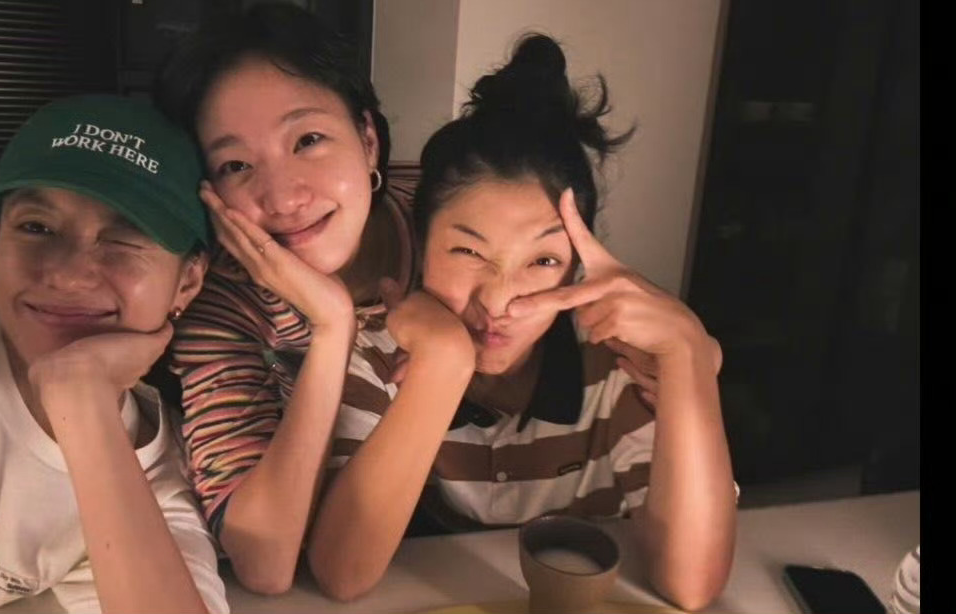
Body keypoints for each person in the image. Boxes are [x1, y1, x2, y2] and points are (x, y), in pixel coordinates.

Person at [310, 34, 737, 610]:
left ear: (578, 268)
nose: (499, 300)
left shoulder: (618, 360)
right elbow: (340, 574)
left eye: (543, 262)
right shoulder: (380, 351)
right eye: (468, 252)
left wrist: (688, 350)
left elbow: (692, 585)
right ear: (422, 242)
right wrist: (442, 366)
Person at [0, 95, 228, 614]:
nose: (66, 275)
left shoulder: (155, 477)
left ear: (188, 281)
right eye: (36, 227)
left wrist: (80, 397)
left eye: (124, 239)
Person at [153, 0, 419, 594]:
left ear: (368, 140)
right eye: (235, 165)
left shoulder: (449, 224)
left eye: (309, 140)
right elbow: (262, 561)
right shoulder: (222, 306)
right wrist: (332, 326)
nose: (282, 198)